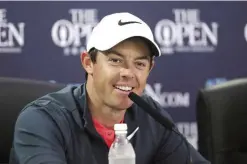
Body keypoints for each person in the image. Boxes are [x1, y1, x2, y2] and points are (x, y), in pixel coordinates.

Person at [9, 12, 210, 164]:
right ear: (88, 63)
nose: (128, 73)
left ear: (150, 69)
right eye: (115, 60)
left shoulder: (153, 118)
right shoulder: (43, 120)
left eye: (139, 64)